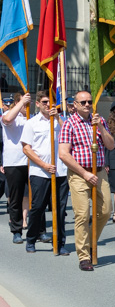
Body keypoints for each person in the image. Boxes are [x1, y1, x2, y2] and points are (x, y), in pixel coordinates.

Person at [58, 90, 115, 271]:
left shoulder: (99, 121)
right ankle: (83, 255)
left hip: (99, 173)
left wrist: (100, 128)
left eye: (89, 102)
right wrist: (84, 173)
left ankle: (91, 242)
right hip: (79, 175)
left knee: (106, 210)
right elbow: (63, 154)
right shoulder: (69, 124)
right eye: (82, 102)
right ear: (74, 104)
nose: (87, 105)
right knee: (82, 215)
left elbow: (111, 145)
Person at [20, 91, 69, 255]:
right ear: (38, 104)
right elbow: (26, 148)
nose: (48, 105)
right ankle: (31, 238)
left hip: (61, 171)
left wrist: (59, 119)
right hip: (40, 172)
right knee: (38, 207)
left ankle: (60, 242)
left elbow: (70, 136)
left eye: (51, 102)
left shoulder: (61, 122)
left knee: (60, 209)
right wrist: (44, 165)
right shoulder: (32, 123)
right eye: (45, 102)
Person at [2, 92, 30, 244]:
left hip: (31, 162)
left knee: (35, 197)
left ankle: (39, 231)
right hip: (13, 162)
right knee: (15, 198)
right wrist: (21, 104)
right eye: (23, 104)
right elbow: (7, 120)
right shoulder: (8, 114)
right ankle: (16, 231)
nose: (26, 107)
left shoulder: (32, 118)